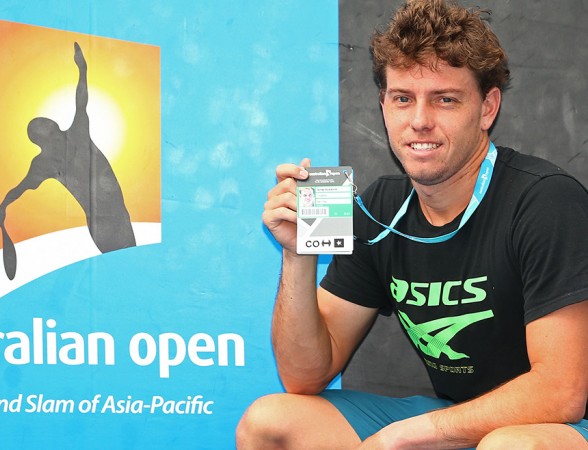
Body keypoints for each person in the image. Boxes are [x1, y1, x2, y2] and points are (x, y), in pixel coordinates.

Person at [236, 0, 588, 448]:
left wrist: (403, 437)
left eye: (445, 99)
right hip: (460, 418)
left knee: (510, 446)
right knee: (271, 422)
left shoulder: (546, 200)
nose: (419, 121)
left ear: (487, 107)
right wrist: (297, 254)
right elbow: (305, 376)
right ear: (384, 106)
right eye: (403, 98)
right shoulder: (382, 205)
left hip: (561, 427)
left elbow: (562, 393)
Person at [0, 42, 136, 280]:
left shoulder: (69, 139)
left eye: (46, 122)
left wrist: (83, 69)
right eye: (45, 125)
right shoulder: (45, 162)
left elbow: (82, 98)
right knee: (127, 274)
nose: (50, 124)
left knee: (129, 273)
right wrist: (3, 207)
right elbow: (17, 190)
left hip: (114, 219)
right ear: (44, 136)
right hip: (106, 223)